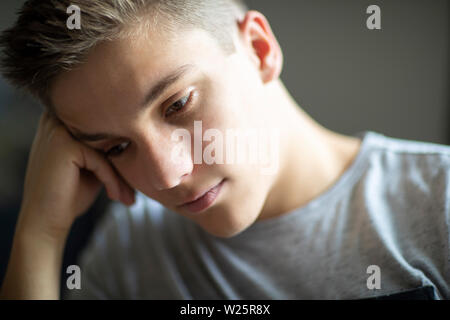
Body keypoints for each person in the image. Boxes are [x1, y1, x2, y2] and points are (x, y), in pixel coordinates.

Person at [0, 0, 448, 300]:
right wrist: (39, 235)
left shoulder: (439, 205)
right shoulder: (128, 255)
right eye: (117, 147)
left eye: (177, 105)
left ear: (258, 48)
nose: (167, 176)